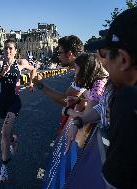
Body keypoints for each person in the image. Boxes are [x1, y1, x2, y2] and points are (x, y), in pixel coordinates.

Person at [71, 8, 137, 189]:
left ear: (123, 60)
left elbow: (115, 181)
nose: (104, 62)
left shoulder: (127, 101)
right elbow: (103, 106)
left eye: (108, 54)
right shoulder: (119, 91)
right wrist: (81, 119)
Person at [0, 38, 36, 182]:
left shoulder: (20, 63)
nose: (7, 51)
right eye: (6, 48)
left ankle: (4, 169)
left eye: (10, 48)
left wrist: (31, 82)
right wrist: (1, 74)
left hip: (14, 101)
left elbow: (33, 69)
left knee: (4, 132)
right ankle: (13, 139)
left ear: (15, 51)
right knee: (8, 132)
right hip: (1, 103)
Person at [33, 35, 84, 130]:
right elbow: (69, 97)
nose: (58, 55)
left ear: (69, 54)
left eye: (60, 53)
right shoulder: (81, 68)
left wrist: (40, 85)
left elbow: (66, 100)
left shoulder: (83, 71)